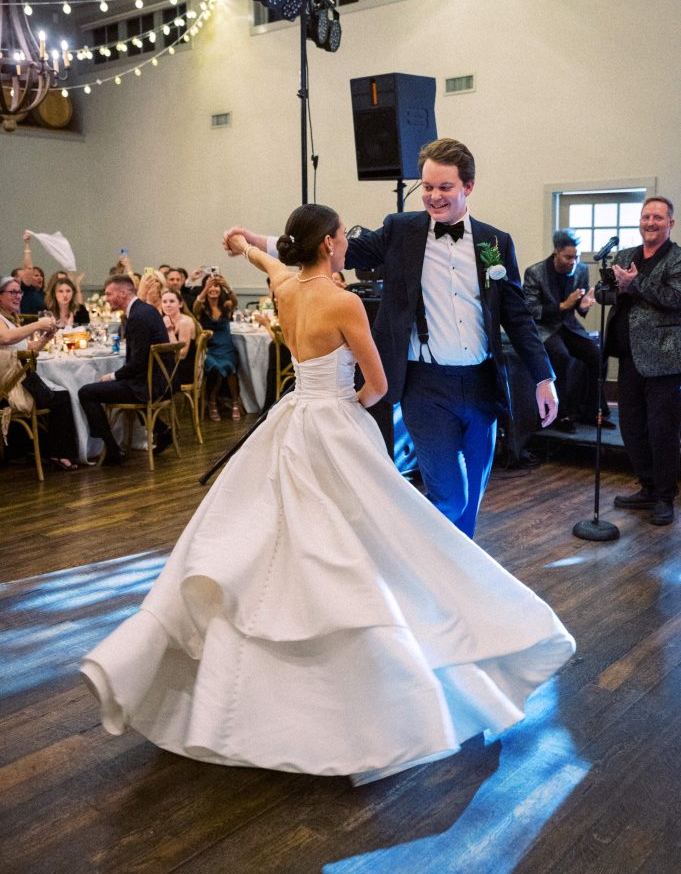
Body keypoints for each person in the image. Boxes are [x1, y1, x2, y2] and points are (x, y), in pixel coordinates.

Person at [80, 203, 575, 786]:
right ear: (331, 243)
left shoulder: (286, 287)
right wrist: (351, 408)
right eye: (342, 238)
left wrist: (245, 244)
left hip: (292, 419)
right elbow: (379, 385)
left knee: (275, 537)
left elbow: (271, 261)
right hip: (334, 419)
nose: (347, 245)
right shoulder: (343, 303)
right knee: (368, 534)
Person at [226, 139, 557, 537]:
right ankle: (431, 568)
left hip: (482, 384)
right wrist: (256, 241)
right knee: (449, 495)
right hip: (425, 386)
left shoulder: (495, 242)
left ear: (468, 186)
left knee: (472, 498)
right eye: (428, 187)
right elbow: (331, 250)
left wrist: (544, 377)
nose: (433, 197)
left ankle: (458, 581)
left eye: (444, 188)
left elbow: (518, 316)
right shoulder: (402, 231)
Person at [605, 196, 681, 526]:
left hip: (664, 360)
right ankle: (647, 487)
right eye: (645, 216)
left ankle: (665, 497)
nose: (650, 222)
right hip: (628, 358)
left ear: (670, 224)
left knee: (662, 430)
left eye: (658, 218)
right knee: (632, 427)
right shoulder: (625, 256)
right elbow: (609, 293)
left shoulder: (677, 259)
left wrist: (634, 285)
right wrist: (607, 287)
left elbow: (675, 298)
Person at [523, 229, 614, 433]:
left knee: (597, 355)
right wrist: (563, 305)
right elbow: (529, 309)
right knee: (560, 356)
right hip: (544, 328)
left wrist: (583, 305)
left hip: (568, 326)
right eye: (568, 257)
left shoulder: (581, 270)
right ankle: (561, 414)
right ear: (556, 253)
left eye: (576, 256)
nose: (573, 261)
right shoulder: (535, 272)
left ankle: (592, 411)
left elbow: (578, 306)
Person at [77, 275, 170, 465]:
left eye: (109, 294)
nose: (107, 298)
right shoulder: (147, 310)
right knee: (115, 383)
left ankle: (112, 449)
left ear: (123, 292)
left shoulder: (137, 317)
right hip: (160, 381)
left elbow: (138, 363)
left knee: (86, 392)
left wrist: (113, 375)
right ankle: (161, 430)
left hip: (146, 387)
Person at [0, 275, 79, 470]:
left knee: (61, 393)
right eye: (12, 292)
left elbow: (28, 350)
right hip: (9, 385)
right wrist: (38, 324)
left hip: (20, 377)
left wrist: (45, 338)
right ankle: (57, 454)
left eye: (19, 292)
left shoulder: (11, 319)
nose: (18, 296)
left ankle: (40, 450)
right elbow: (5, 338)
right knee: (62, 398)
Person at [193, 273, 240, 422]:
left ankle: (234, 402)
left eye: (216, 286)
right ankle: (212, 402)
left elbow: (235, 301)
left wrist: (226, 285)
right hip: (210, 350)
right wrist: (206, 288)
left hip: (226, 348)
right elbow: (194, 307)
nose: (213, 289)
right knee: (216, 368)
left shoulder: (226, 306)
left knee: (230, 366)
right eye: (210, 286)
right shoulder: (202, 308)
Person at [161, 289, 196, 385]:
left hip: (182, 370)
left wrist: (169, 330)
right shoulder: (165, 319)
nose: (168, 305)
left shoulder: (185, 322)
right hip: (170, 366)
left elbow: (181, 355)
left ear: (180, 304)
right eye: (164, 302)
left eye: (172, 301)